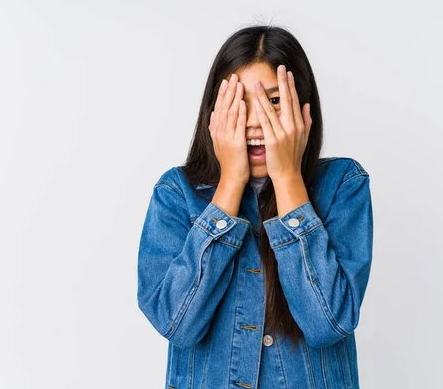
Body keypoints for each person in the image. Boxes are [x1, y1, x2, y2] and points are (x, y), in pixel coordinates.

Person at [137, 25, 374, 389]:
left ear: (303, 108)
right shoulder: (177, 192)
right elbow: (177, 325)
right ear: (214, 112)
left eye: (274, 101)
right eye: (239, 102)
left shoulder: (343, 184)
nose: (254, 120)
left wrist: (288, 178)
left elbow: (329, 322)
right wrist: (230, 183)